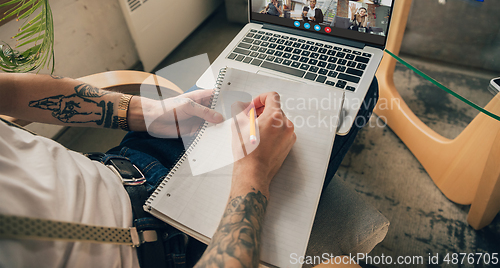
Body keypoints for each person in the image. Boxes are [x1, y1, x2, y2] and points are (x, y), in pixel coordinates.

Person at [0, 72, 378, 267]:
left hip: (122, 165)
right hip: (173, 248)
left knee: (248, 87)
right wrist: (255, 175)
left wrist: (150, 114)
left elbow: (9, 91)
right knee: (358, 92)